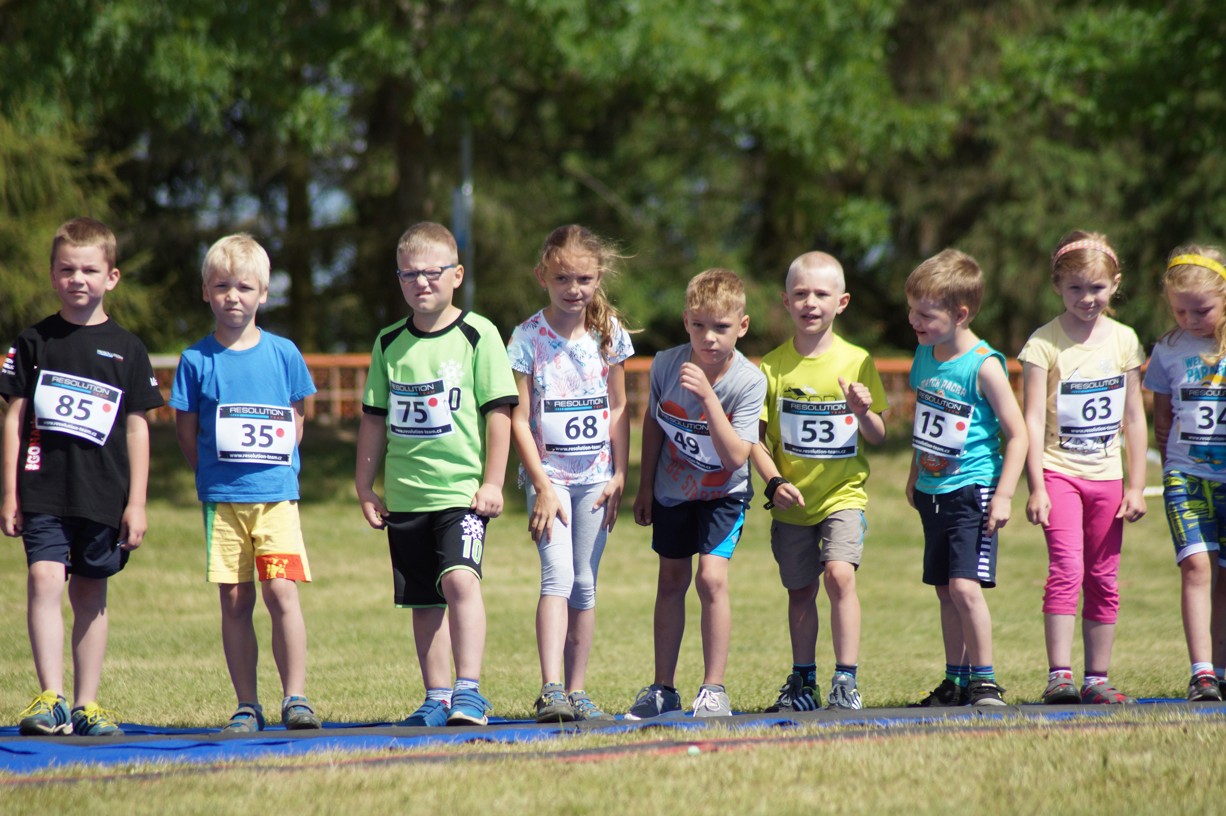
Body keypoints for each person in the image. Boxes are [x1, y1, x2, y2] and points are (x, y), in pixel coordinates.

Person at [1, 217, 164, 736]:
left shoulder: (129, 349)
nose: (78, 279)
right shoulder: (33, 341)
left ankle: (85, 704)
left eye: (90, 270)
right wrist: (9, 492)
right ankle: (51, 698)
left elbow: (137, 429)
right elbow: (14, 419)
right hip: (43, 489)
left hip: (104, 494)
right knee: (44, 578)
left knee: (90, 594)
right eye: (67, 269)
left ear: (111, 277)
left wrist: (137, 502)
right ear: (52, 275)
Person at [355, 222, 517, 728]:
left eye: (431, 272)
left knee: (460, 581)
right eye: (409, 274)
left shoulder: (478, 334)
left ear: (456, 275)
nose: (421, 283)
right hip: (406, 497)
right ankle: (437, 696)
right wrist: (364, 486)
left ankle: (470, 691)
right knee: (423, 600)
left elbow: (499, 413)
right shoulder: (388, 342)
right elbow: (374, 420)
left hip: (461, 494)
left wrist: (493, 482)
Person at [170, 234, 322, 732]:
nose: (232, 296)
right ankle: (247, 703)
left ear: (264, 293)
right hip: (224, 502)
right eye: (221, 286)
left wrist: (280, 466)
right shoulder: (196, 361)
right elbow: (186, 429)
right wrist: (211, 473)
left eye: (244, 287)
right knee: (235, 601)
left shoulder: (284, 353)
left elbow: (297, 417)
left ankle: (295, 698)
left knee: (281, 593)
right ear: (205, 292)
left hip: (275, 499)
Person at [749, 252, 888, 712]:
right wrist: (773, 483)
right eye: (801, 294)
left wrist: (863, 412)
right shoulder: (772, 367)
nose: (811, 303)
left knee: (839, 574)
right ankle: (803, 679)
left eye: (822, 294)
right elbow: (755, 440)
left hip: (842, 494)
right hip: (792, 501)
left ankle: (846, 678)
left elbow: (878, 435)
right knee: (800, 590)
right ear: (786, 301)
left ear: (841, 302)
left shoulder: (858, 360)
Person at [628, 268, 767, 719]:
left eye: (721, 327)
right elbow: (654, 424)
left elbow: (735, 457)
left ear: (742, 326)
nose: (709, 337)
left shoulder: (749, 381)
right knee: (671, 580)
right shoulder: (666, 364)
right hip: (673, 490)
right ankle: (663, 688)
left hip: (724, 493)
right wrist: (645, 487)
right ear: (686, 321)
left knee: (711, 578)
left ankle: (713, 688)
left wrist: (708, 398)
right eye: (699, 325)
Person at [508, 226, 634, 723]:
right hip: (551, 480)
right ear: (542, 276)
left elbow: (619, 407)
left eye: (583, 279)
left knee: (584, 583)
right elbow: (519, 417)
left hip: (596, 479)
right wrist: (541, 484)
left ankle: (578, 690)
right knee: (557, 575)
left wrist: (620, 473)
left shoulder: (609, 334)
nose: (573, 288)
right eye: (562, 278)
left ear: (598, 278)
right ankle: (551, 689)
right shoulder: (527, 338)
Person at [1019, 232, 1147, 706]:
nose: (1087, 298)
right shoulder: (1043, 343)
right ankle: (1060, 675)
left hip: (1107, 478)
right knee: (1067, 569)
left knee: (1103, 576)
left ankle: (1097, 677)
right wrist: (1036, 486)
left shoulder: (1125, 340)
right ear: (1057, 286)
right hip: (1059, 472)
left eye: (1097, 288)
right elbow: (1032, 418)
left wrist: (1136, 485)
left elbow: (1134, 417)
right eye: (1075, 288)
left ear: (1115, 285)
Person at [905, 248, 1026, 707]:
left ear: (960, 314)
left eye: (925, 314)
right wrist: (914, 474)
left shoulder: (984, 364)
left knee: (964, 586)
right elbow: (926, 421)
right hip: (932, 490)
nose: (914, 321)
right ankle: (955, 680)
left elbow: (1018, 434)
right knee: (944, 589)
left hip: (973, 489)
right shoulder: (924, 354)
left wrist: (1004, 495)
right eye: (912, 311)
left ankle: (985, 679)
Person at [1143, 245, 1226, 702]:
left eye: (1202, 310)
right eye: (1180, 311)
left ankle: (1222, 668)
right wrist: (1171, 462)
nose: (1191, 320)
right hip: (1186, 476)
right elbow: (1161, 417)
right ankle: (1202, 672)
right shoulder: (1168, 350)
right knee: (1196, 566)